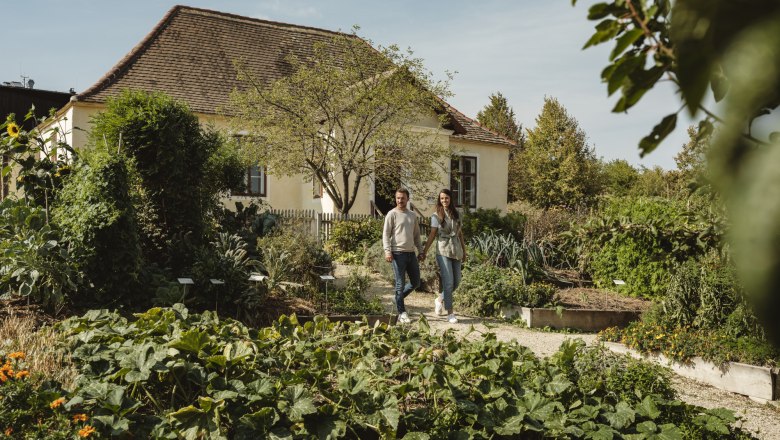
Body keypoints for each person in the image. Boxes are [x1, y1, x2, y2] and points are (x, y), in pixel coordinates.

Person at [421, 189, 467, 324]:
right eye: (441, 199)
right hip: (443, 250)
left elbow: (460, 234)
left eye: (446, 198)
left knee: (457, 281)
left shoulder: (457, 214)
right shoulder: (436, 216)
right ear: (439, 200)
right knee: (448, 282)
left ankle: (439, 299)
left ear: (451, 199)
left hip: (456, 249)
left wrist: (464, 251)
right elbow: (432, 234)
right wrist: (424, 250)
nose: (444, 201)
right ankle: (450, 313)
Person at [382, 188, 423, 324]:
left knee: (416, 282)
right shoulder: (391, 214)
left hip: (411, 253)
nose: (400, 200)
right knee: (399, 284)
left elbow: (416, 236)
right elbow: (386, 235)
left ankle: (397, 299)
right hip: (397, 253)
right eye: (398, 198)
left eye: (402, 198)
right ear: (396, 199)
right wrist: (387, 251)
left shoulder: (412, 215)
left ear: (407, 199)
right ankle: (401, 312)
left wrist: (421, 250)